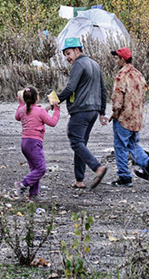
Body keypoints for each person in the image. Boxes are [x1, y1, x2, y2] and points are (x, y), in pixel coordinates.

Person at [56, 37, 108, 189]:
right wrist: (102, 112)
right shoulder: (95, 64)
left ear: (77, 50)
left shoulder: (79, 64)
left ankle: (97, 167)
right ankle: (79, 180)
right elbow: (103, 91)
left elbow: (70, 88)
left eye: (68, 53)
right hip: (93, 111)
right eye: (65, 54)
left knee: (75, 141)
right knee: (81, 144)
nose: (67, 58)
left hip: (81, 110)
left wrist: (55, 101)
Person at [107, 47, 149, 187]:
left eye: (117, 58)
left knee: (120, 146)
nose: (116, 61)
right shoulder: (139, 75)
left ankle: (124, 176)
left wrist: (115, 114)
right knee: (132, 144)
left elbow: (118, 100)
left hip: (124, 117)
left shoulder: (121, 76)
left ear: (122, 60)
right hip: (137, 117)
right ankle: (148, 163)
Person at [15, 86, 61, 200]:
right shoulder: (40, 111)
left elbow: (18, 117)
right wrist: (57, 110)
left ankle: (33, 194)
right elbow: (52, 122)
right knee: (41, 169)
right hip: (34, 143)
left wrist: (21, 104)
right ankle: (22, 184)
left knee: (34, 169)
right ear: (37, 98)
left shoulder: (22, 110)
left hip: (24, 143)